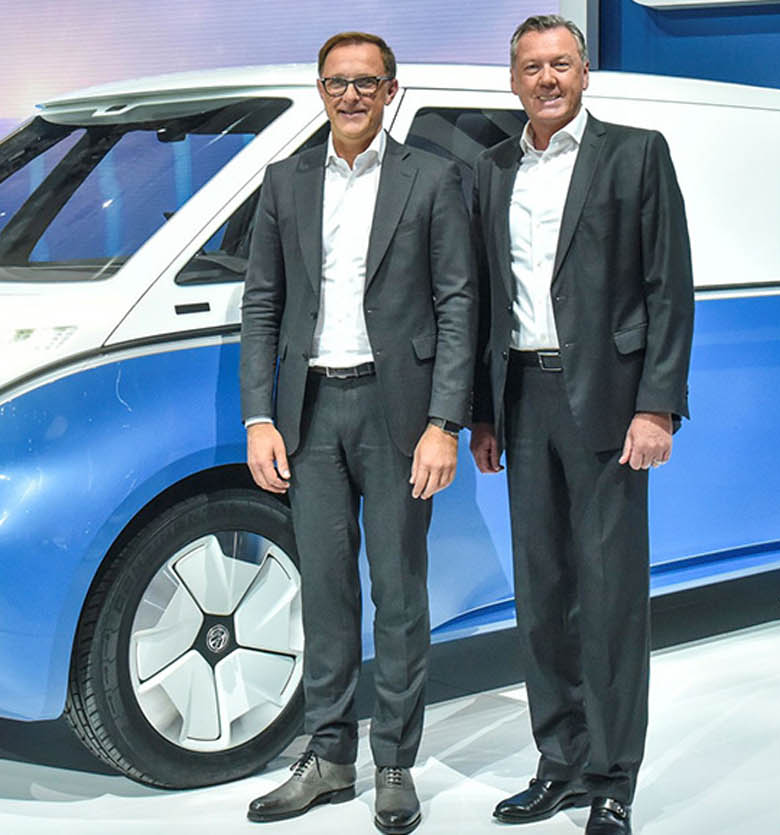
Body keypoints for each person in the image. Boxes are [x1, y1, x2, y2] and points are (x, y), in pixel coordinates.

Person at [238, 30, 475, 835]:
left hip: (397, 412)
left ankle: (394, 763)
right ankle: (329, 756)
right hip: (309, 413)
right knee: (325, 593)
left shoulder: (432, 178)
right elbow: (262, 303)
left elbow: (457, 304)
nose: (350, 95)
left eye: (366, 82)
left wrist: (444, 422)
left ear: (390, 91)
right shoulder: (285, 180)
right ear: (320, 89)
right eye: (338, 82)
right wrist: (260, 415)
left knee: (399, 593)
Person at [469, 15, 694, 835]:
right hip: (522, 397)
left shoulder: (636, 153)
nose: (547, 79)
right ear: (513, 79)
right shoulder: (492, 168)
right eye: (532, 67)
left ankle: (612, 777)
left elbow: (670, 285)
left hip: (606, 400)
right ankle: (559, 762)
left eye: (561, 63)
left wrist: (656, 404)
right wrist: (483, 413)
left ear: (586, 71)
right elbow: (487, 297)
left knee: (609, 596)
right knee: (542, 594)